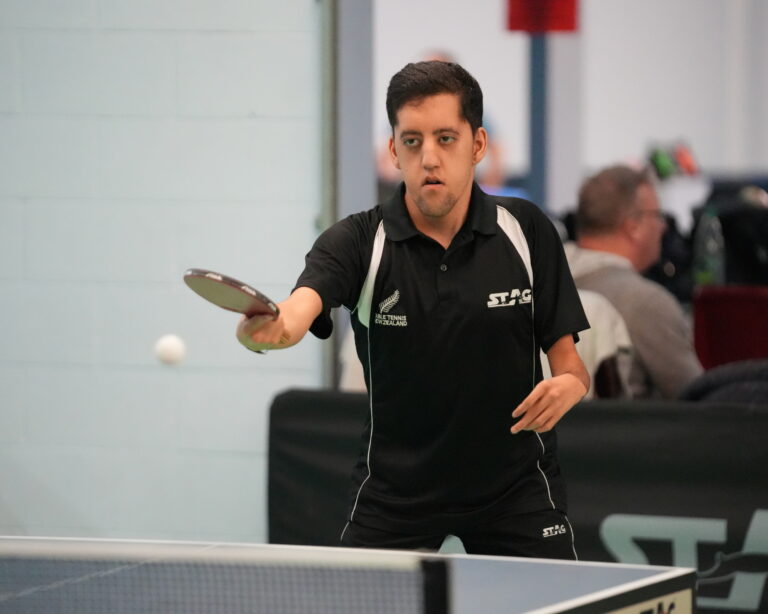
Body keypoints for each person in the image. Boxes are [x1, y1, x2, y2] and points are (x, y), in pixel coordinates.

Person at [239, 61, 589, 558]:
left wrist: (570, 385)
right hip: (395, 495)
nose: (429, 158)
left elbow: (571, 365)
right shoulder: (359, 240)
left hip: (516, 493)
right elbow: (299, 309)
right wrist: (273, 329)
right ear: (393, 152)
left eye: (446, 139)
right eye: (412, 141)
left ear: (478, 146)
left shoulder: (527, 230)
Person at [565, 165, 703, 399]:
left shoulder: (536, 281)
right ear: (633, 226)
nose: (664, 226)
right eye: (658, 215)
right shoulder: (646, 302)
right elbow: (698, 401)